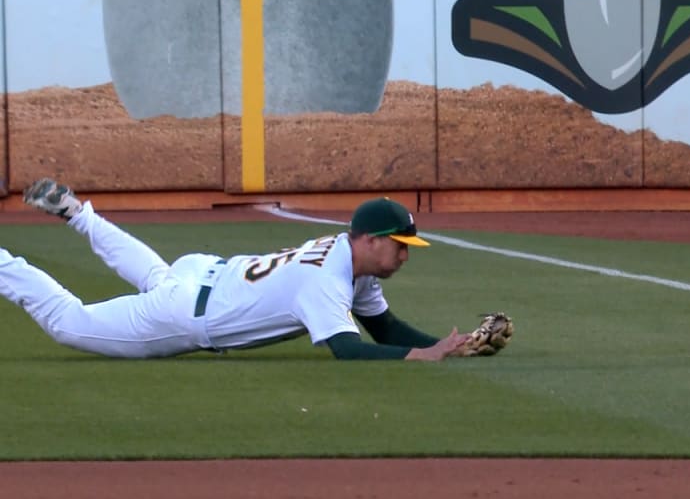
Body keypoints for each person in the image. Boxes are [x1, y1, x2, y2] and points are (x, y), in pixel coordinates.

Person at [1, 178, 470, 361]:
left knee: (156, 276)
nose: (405, 255)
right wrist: (421, 357)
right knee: (67, 323)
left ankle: (77, 213)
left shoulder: (350, 262)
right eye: (399, 245)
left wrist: (450, 346)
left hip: (201, 274)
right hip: (183, 314)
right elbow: (349, 351)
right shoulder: (327, 279)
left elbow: (383, 327)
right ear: (369, 241)